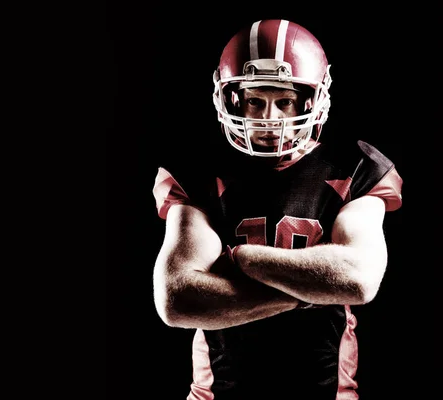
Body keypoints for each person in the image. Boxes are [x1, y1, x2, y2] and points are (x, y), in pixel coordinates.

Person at [151, 18, 403, 399]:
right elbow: (177, 298)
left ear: (312, 99)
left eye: (285, 101)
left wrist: (245, 258)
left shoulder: (354, 167)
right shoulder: (200, 171)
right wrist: (310, 290)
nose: (270, 120)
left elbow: (358, 278)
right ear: (232, 98)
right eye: (255, 101)